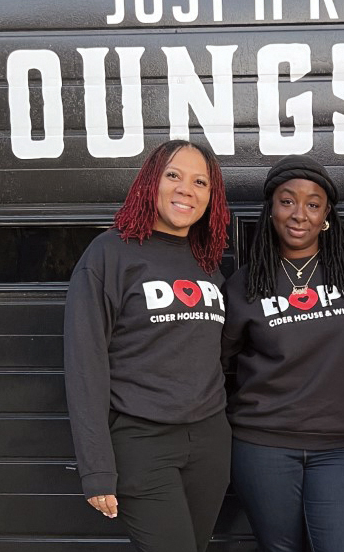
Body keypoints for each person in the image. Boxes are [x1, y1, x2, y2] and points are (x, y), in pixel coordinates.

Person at [63, 140, 231, 552]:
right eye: (173, 175)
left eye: (200, 182)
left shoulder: (207, 262)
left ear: (212, 197)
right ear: (149, 182)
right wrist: (96, 467)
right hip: (142, 441)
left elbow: (217, 353)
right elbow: (85, 365)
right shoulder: (109, 254)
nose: (185, 189)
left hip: (209, 441)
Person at [221, 155, 344, 552]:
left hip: (341, 445)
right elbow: (221, 363)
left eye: (313, 204)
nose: (299, 214)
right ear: (271, 209)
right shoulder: (245, 285)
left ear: (326, 214)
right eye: (287, 201)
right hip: (263, 445)